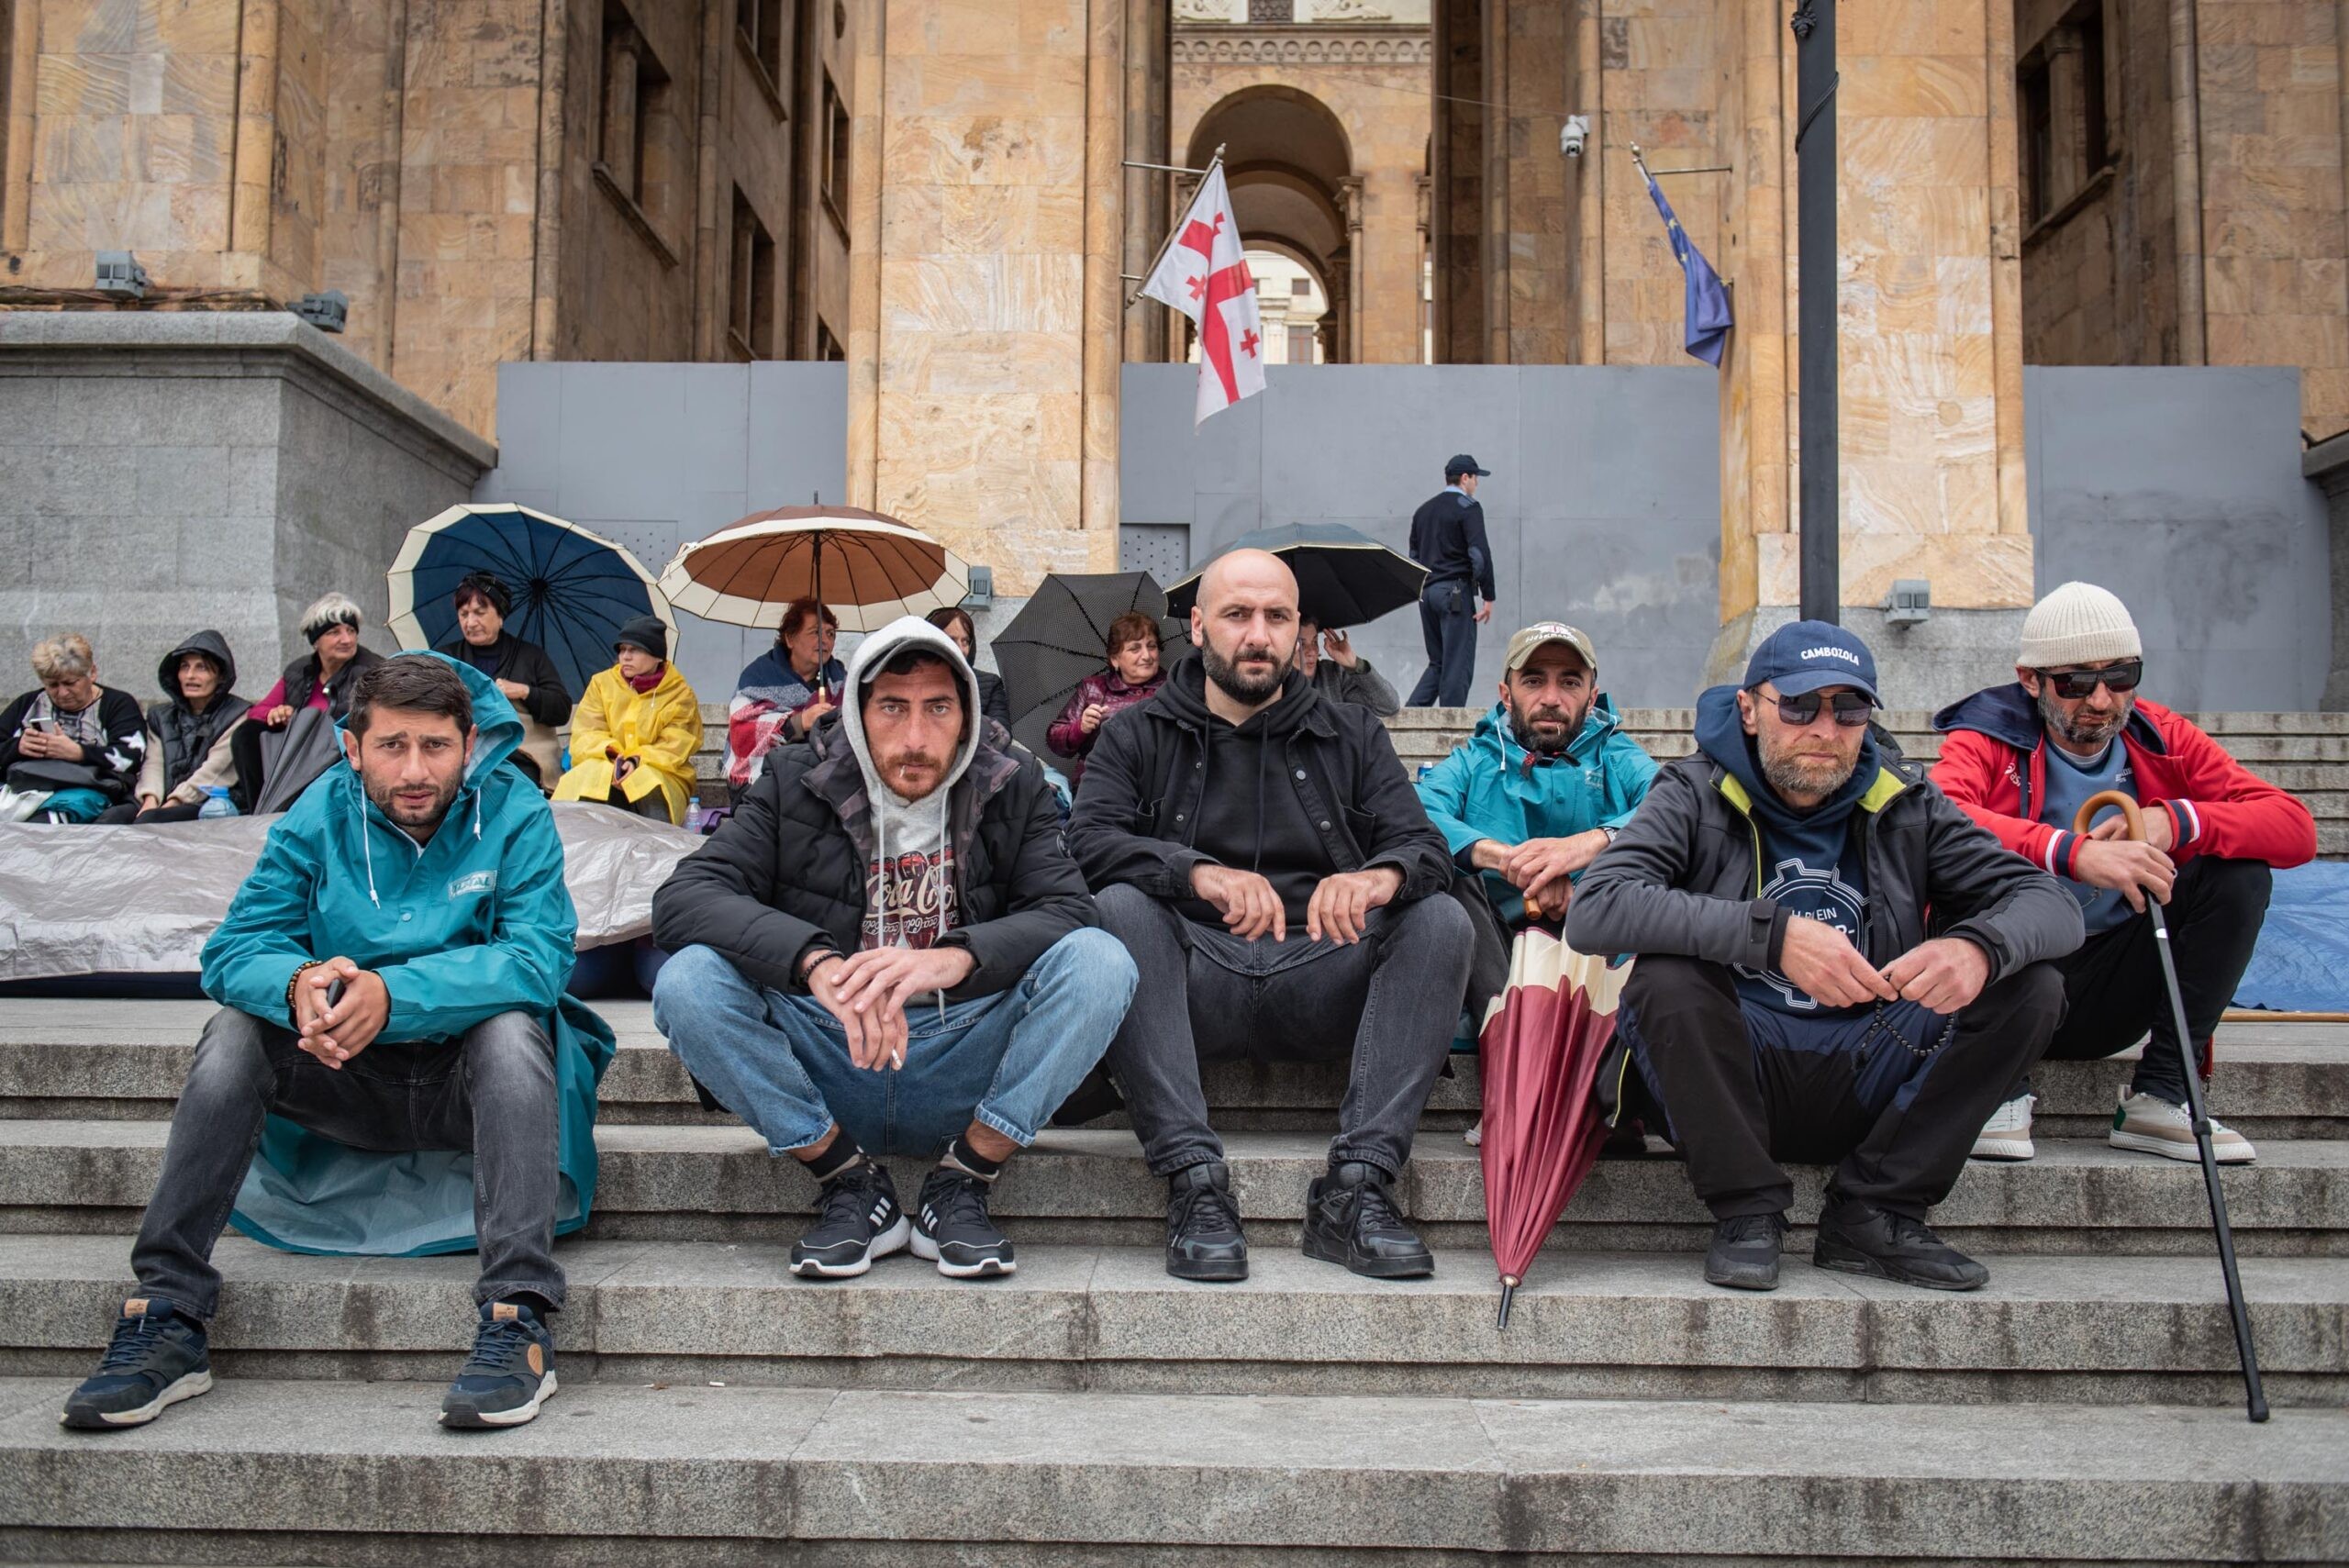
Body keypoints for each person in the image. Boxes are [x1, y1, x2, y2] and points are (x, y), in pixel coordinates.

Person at [59, 654, 615, 1432]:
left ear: (472, 743)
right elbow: (233, 948)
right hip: (342, 1074)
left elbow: (540, 956)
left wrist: (395, 995)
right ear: (353, 748)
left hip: (466, 1078)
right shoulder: (319, 810)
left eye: (436, 746)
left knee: (513, 1027)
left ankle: (516, 1314)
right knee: (232, 1031)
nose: (415, 770)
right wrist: (298, 987)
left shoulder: (516, 810)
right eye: (392, 746)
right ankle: (167, 1312)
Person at [1565, 622, 2081, 1294]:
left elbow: (2051, 901)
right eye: (1801, 705)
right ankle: (1747, 1211)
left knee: (2032, 983)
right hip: (1733, 1068)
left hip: (1871, 1056)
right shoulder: (1693, 791)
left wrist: (1978, 946)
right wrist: (1772, 936)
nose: (1825, 727)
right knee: (1667, 977)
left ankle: (1876, 1209)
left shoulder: (1905, 801)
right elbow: (1598, 906)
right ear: (1750, 708)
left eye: (1849, 708)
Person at [652, 616, 1134, 1279]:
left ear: (965, 714)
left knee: (1102, 962)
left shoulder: (1010, 780)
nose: (915, 737)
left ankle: (962, 1178)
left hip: (963, 1052)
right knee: (687, 980)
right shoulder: (797, 778)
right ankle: (848, 1180)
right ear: (856, 711)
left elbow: (1068, 910)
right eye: (891, 707)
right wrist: (813, 962)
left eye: (938, 707)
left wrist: (955, 956)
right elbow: (684, 898)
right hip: (831, 1048)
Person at [1070, 550, 1473, 1284]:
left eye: (1276, 617)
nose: (1257, 635)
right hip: (1195, 979)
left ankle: (1355, 1189)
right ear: (1196, 627)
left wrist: (1377, 877)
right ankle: (1195, 1182)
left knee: (1440, 918)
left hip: (1326, 969)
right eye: (1237, 615)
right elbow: (1087, 844)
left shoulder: (1353, 733)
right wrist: (1195, 872)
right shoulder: (1135, 733)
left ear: (1297, 630)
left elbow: (1426, 847)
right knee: (1118, 908)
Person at [1932, 582, 2317, 1164]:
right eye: (2076, 681)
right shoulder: (1985, 734)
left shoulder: (2164, 735)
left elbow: (2295, 827)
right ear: (2031, 679)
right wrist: (2071, 853)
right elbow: (1938, 821)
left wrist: (2178, 821)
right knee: (1961, 871)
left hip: (2117, 981)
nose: (2102, 700)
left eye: (2121, 676)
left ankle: (2164, 1092)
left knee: (2240, 875)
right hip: (2012, 982)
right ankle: (1996, 1089)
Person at [1416, 622, 1657, 1021]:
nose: (1551, 698)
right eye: (1533, 680)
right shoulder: (1476, 759)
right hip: (1498, 951)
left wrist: (1582, 847)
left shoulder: (1617, 755)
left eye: (1569, 683)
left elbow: (1671, 805)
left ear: (1591, 696)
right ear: (1506, 695)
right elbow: (1418, 810)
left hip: (1599, 944)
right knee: (1446, 882)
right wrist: (1511, 861)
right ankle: (1506, 1027)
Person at [234, 592, 384, 811]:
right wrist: (276, 714)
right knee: (247, 733)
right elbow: (258, 711)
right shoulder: (299, 670)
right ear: (316, 641)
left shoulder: (370, 670)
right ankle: (259, 807)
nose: (347, 639)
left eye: (351, 631)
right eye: (335, 632)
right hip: (299, 755)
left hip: (337, 753)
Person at [552, 616, 700, 825]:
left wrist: (636, 760)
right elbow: (586, 733)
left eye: (635, 650)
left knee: (648, 781)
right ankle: (571, 844)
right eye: (622, 650)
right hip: (606, 762)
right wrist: (614, 757)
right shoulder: (601, 683)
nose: (626, 657)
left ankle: (658, 845)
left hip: (660, 770)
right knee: (590, 776)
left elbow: (675, 745)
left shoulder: (680, 693)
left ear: (657, 656)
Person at [434, 571, 572, 788]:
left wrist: (525, 691)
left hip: (521, 755)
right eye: (464, 614)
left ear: (500, 615)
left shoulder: (531, 656)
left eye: (480, 612)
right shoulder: (447, 657)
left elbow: (561, 710)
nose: (471, 622)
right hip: (462, 751)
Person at [0, 633, 149, 823]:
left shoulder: (117, 704)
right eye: (52, 685)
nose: (62, 692)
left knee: (45, 823)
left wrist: (79, 753)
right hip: (26, 787)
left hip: (87, 791)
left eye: (70, 683)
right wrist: (17, 747)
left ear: (92, 673)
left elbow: (133, 757)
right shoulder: (29, 703)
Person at [106, 630, 251, 824]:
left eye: (202, 668)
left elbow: (214, 770)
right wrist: (150, 800)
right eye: (185, 667)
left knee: (150, 821)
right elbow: (153, 764)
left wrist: (173, 802)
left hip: (209, 802)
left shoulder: (239, 714)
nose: (190, 676)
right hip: (161, 796)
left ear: (220, 676)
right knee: (111, 818)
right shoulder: (161, 715)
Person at [1406, 454, 1497, 707]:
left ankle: (1410, 715)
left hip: (1427, 594)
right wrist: (1488, 596)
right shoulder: (1468, 507)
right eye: (1475, 477)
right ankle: (1450, 728)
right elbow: (1479, 556)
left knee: (1438, 662)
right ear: (1465, 477)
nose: (1477, 484)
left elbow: (1413, 557)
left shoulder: (1422, 511)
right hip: (1455, 594)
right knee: (1458, 662)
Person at [728, 598, 847, 788]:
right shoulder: (759, 675)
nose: (825, 640)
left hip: (823, 781)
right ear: (790, 639)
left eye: (830, 633)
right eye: (815, 632)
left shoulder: (841, 681)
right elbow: (743, 726)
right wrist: (799, 722)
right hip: (765, 781)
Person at [1047, 610, 1164, 789]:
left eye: (1152, 646)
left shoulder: (1173, 688)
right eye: (1135, 648)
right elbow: (1055, 739)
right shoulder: (1093, 688)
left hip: (1156, 786)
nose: (1147, 656)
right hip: (1098, 785)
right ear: (1115, 659)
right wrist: (1081, 727)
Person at [1295, 615, 1400, 717]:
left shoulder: (1333, 675)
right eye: (1302, 644)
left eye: (1314, 642)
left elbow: (1389, 706)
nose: (1312, 652)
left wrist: (1354, 663)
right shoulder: (1278, 682)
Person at [927, 606, 1012, 728]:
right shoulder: (914, 681)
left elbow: (1000, 733)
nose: (960, 649)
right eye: (951, 639)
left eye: (965, 641)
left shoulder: (991, 684)